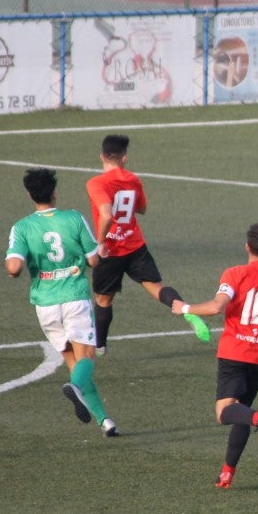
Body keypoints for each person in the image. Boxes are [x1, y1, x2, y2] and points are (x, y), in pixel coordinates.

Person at [170, 223, 258, 490]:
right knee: (241, 410)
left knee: (225, 413)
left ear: (247, 246)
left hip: (233, 352)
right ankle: (227, 472)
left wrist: (184, 307)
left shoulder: (234, 274)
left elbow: (217, 306)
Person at [5, 168, 118, 436]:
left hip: (45, 304)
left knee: (74, 364)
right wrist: (98, 252)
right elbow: (93, 259)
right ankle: (75, 388)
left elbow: (13, 268)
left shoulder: (21, 227)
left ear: (30, 195)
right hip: (75, 298)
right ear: (54, 193)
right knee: (87, 357)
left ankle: (105, 421)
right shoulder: (74, 218)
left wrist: (21, 263)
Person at [87, 134, 209, 352]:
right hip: (134, 245)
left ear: (102, 156)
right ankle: (186, 311)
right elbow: (141, 208)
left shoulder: (96, 183)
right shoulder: (133, 179)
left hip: (111, 252)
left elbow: (106, 215)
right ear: (124, 158)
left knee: (103, 299)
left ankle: (100, 346)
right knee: (158, 289)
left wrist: (101, 242)